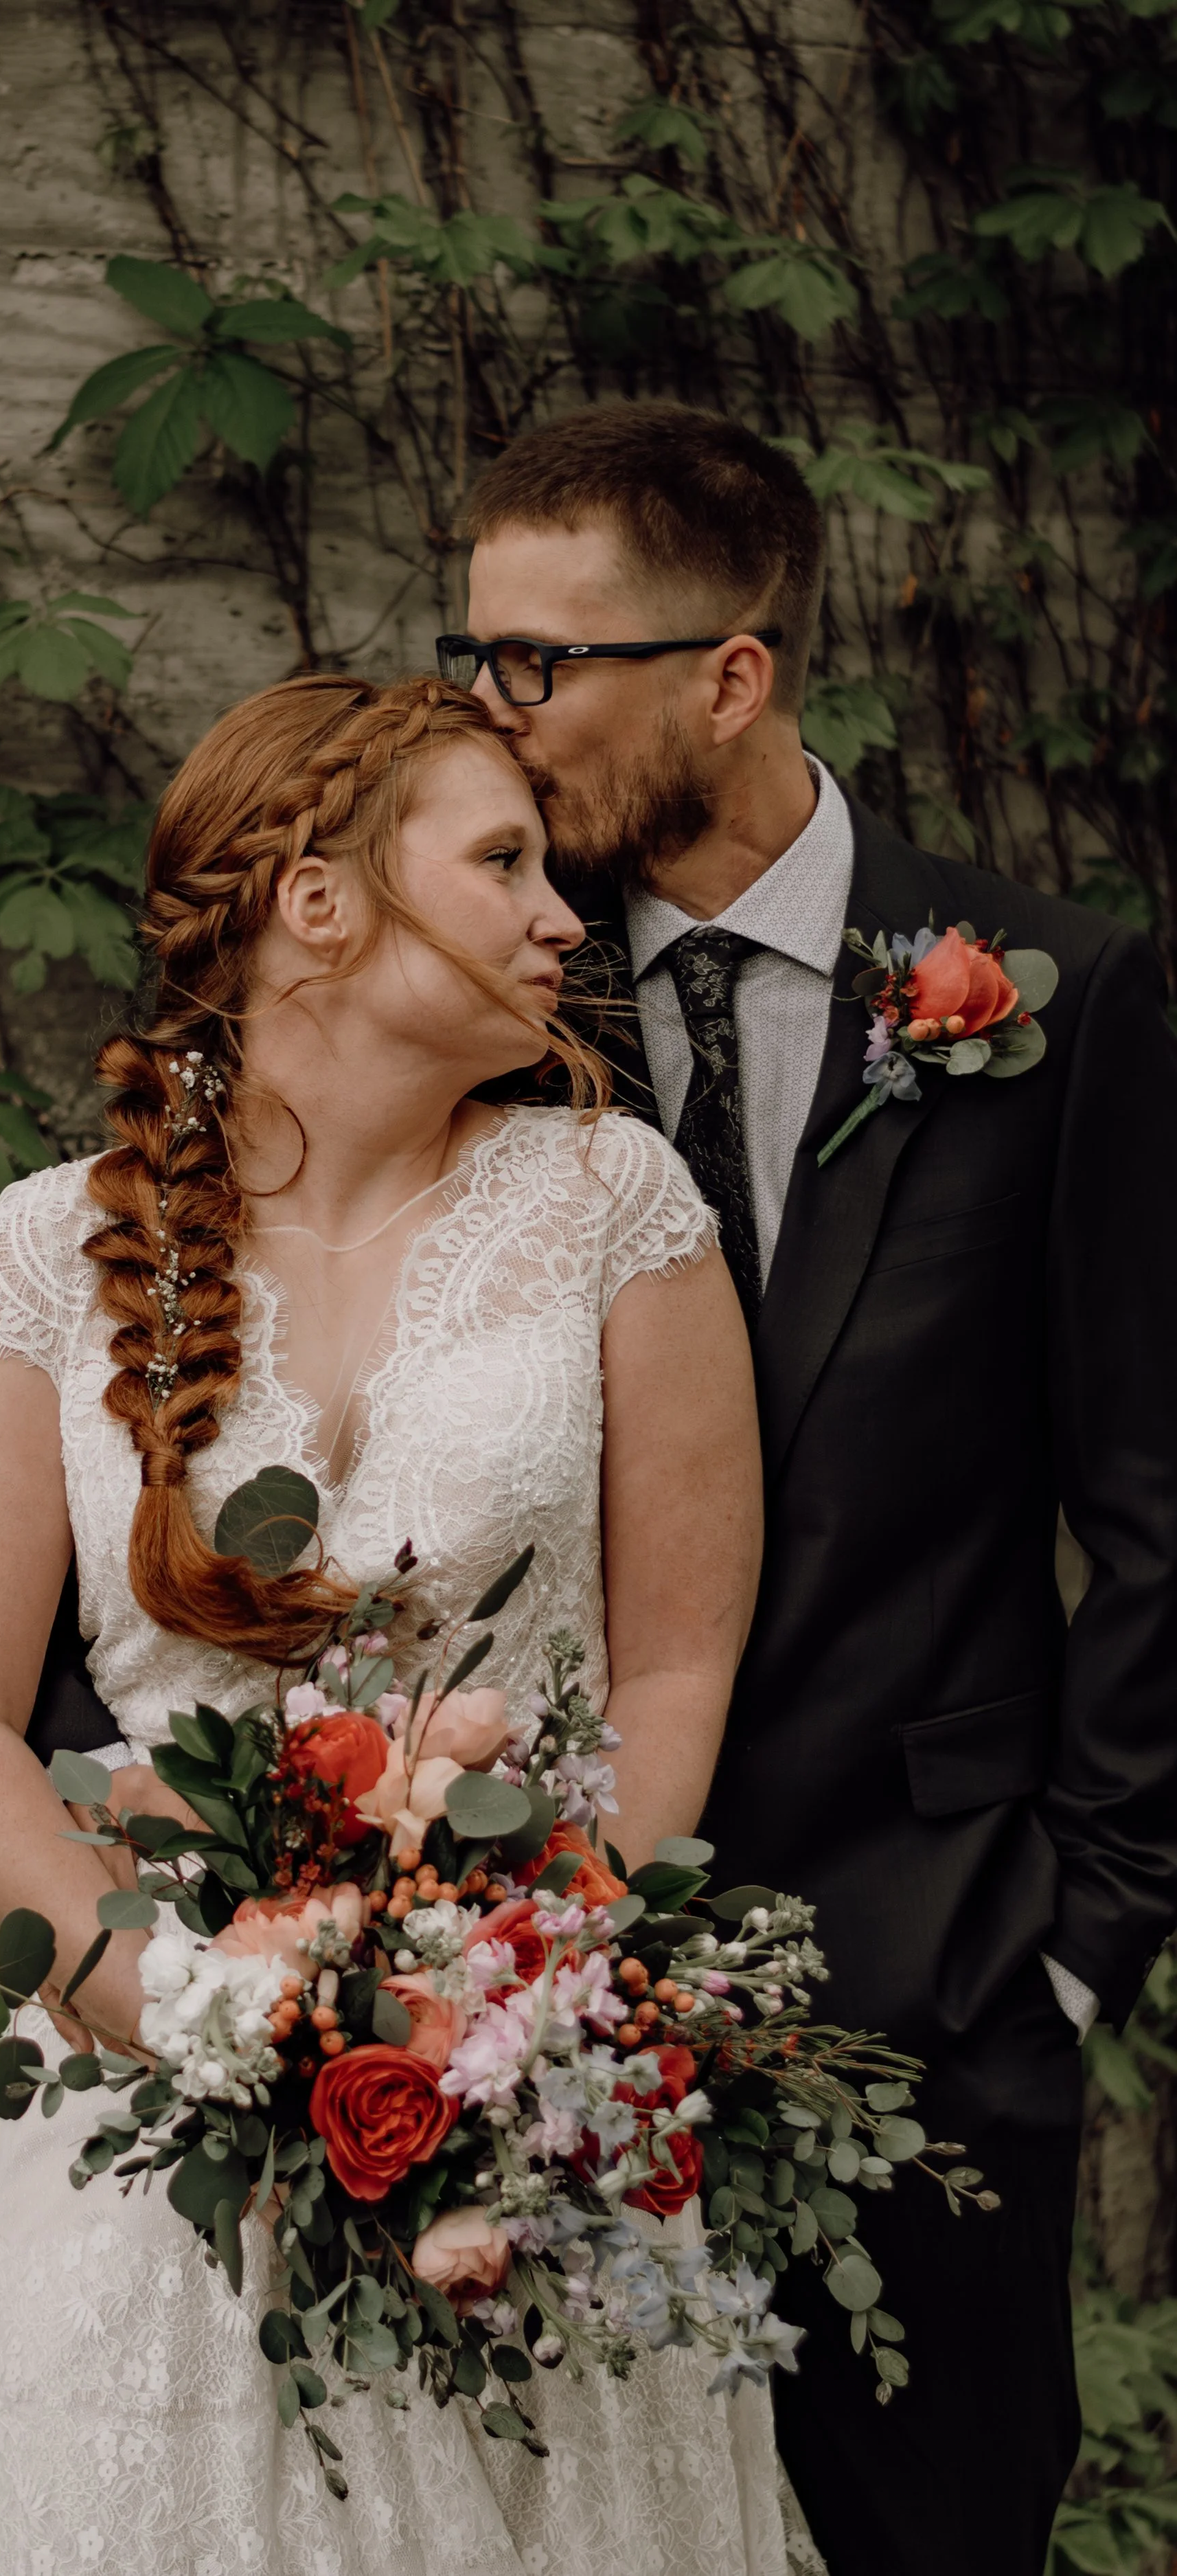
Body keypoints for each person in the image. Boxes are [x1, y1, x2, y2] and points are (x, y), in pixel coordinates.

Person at [0, 673, 823, 2574]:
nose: (565, 915)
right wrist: (162, 1996)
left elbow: (669, 1660)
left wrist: (530, 2000)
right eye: (501, 862)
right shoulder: (41, 1261)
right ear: (316, 900)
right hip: (145, 2123)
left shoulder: (615, 1205)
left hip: (523, 2116)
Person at [446, 399, 1177, 2576]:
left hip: (938, 1976)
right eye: (480, 651)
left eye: (538, 663)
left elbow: (1153, 1497)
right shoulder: (481, 981)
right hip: (534, 1994)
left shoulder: (1049, 992)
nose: (492, 710)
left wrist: (1081, 1933)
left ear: (729, 673)